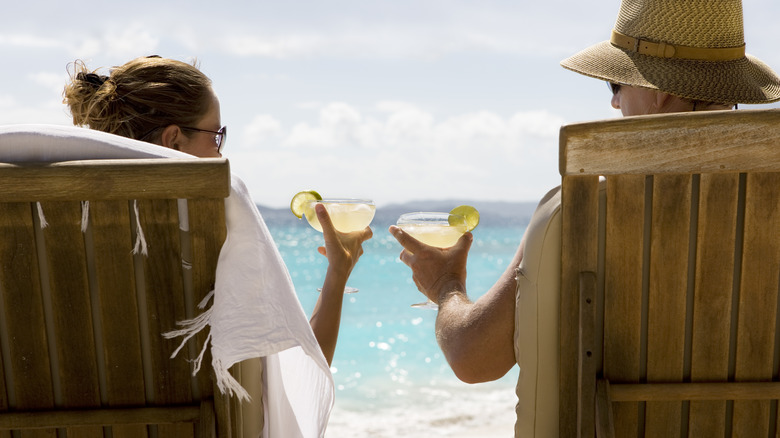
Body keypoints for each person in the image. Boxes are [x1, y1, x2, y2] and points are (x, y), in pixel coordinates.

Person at [389, 0, 780, 435]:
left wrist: (445, 286)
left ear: (656, 91)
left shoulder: (574, 214)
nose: (614, 103)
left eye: (615, 84)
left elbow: (473, 358)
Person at [63, 55, 372, 367]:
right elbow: (306, 372)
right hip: (195, 416)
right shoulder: (223, 216)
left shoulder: (61, 220)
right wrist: (338, 271)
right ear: (174, 141)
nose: (220, 151)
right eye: (216, 136)